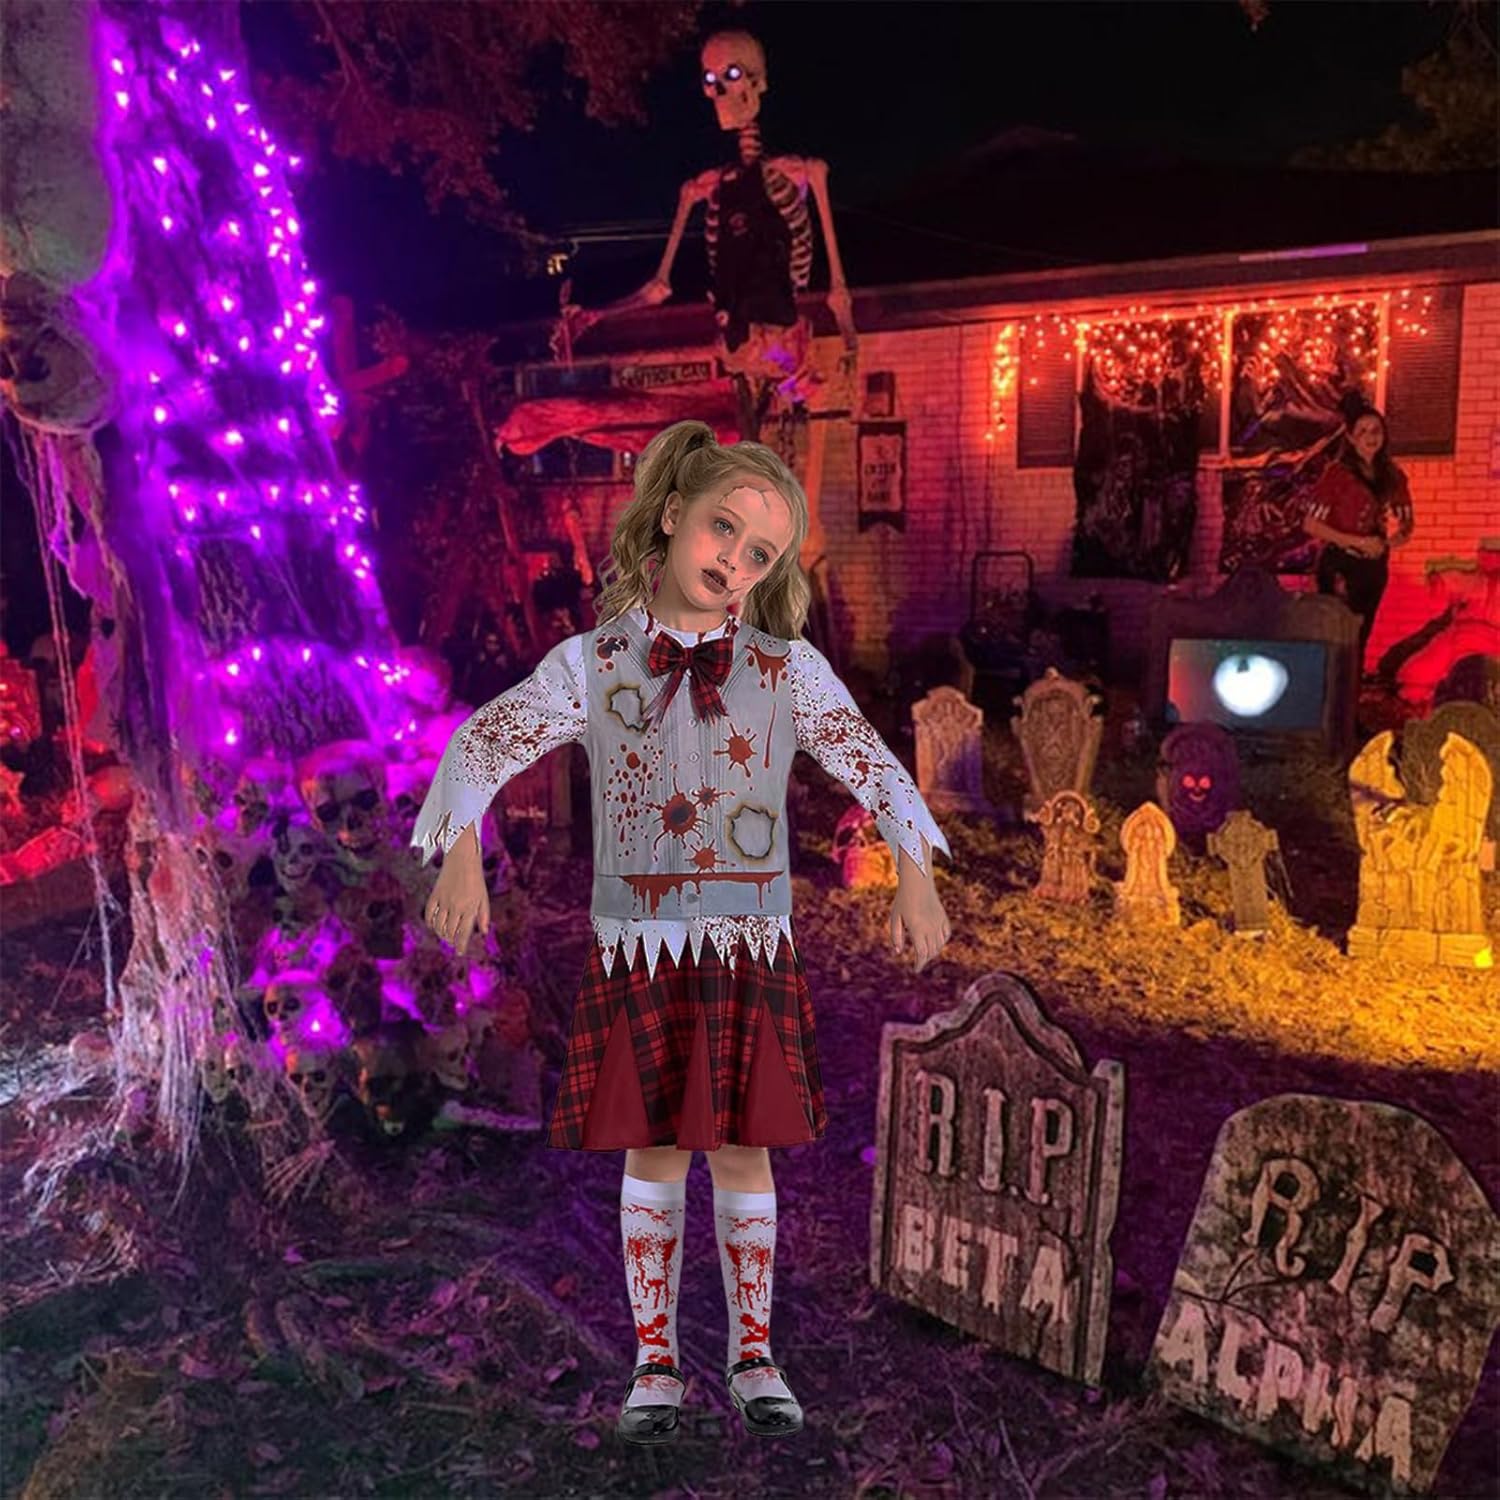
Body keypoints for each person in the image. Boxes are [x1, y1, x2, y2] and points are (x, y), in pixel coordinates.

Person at [410, 419, 953, 1446]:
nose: (735, 560)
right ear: (670, 515)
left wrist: (915, 877)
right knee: (656, 1151)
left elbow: (874, 764)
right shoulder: (593, 664)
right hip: (643, 947)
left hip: (748, 948)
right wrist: (462, 851)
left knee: (744, 1152)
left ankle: (754, 1356)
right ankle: (654, 1361)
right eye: (723, 528)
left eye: (761, 553)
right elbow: (482, 742)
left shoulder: (786, 671)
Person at [1302, 392, 1415, 671]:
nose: (1371, 437)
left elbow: (1406, 521)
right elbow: (1311, 524)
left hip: (1374, 565)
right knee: (1338, 634)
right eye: (1363, 431)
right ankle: (1332, 693)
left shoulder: (1393, 476)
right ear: (1351, 438)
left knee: (1362, 635)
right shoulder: (1336, 474)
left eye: (1376, 430)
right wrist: (1357, 541)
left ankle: (1352, 691)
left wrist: (1395, 538)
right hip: (1341, 563)